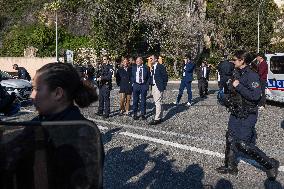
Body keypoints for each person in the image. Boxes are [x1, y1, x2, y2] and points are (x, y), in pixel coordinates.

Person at [1, 63, 103, 188]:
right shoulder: (36, 123)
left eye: (37, 89)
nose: (32, 96)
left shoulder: (81, 132)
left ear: (58, 93)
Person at [216, 50, 279, 181]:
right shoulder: (235, 72)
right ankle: (230, 166)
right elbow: (231, 90)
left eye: (235, 59)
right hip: (236, 111)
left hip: (248, 113)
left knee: (243, 144)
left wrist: (238, 86)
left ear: (242, 61)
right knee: (230, 137)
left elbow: (256, 96)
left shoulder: (252, 75)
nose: (233, 61)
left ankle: (270, 164)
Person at [148, 55, 168, 125]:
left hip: (158, 87)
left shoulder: (160, 66)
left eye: (151, 59)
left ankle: (157, 119)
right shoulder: (153, 67)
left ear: (156, 59)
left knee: (157, 102)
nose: (150, 60)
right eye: (150, 59)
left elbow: (165, 77)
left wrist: (163, 86)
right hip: (153, 86)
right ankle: (160, 117)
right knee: (159, 102)